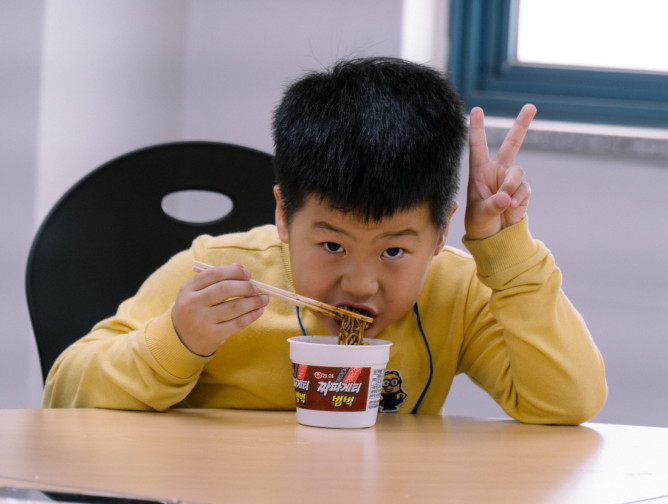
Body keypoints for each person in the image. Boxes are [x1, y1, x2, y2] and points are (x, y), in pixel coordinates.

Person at [43, 57, 607, 424]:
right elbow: (64, 394)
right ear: (284, 216)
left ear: (440, 234)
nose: (360, 285)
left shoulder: (452, 292)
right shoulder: (218, 273)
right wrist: (177, 341)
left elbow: (566, 404)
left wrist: (507, 255)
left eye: (394, 251)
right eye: (332, 246)